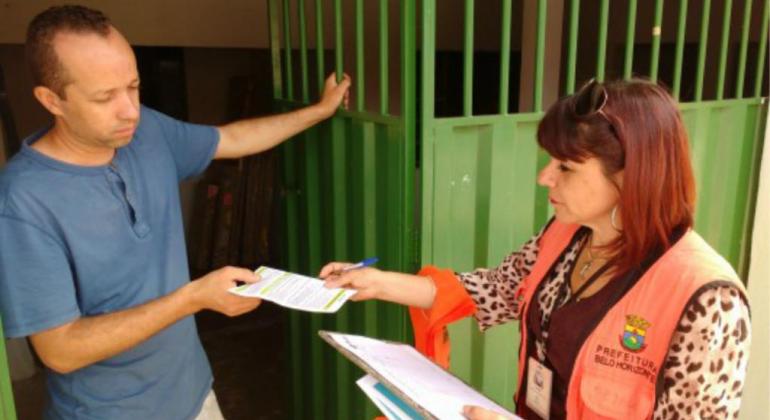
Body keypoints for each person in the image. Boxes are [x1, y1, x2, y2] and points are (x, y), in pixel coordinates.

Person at [321, 79, 751, 419]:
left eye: (565, 166)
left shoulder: (708, 297)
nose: (545, 177)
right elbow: (494, 289)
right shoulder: (567, 235)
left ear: (632, 177)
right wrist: (378, 282)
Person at [0, 5, 350, 420]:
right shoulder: (22, 201)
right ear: (51, 100)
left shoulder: (146, 131)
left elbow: (232, 139)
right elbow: (60, 350)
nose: (129, 109)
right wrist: (193, 298)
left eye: (133, 86)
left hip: (194, 394)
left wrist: (318, 111)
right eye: (104, 97)